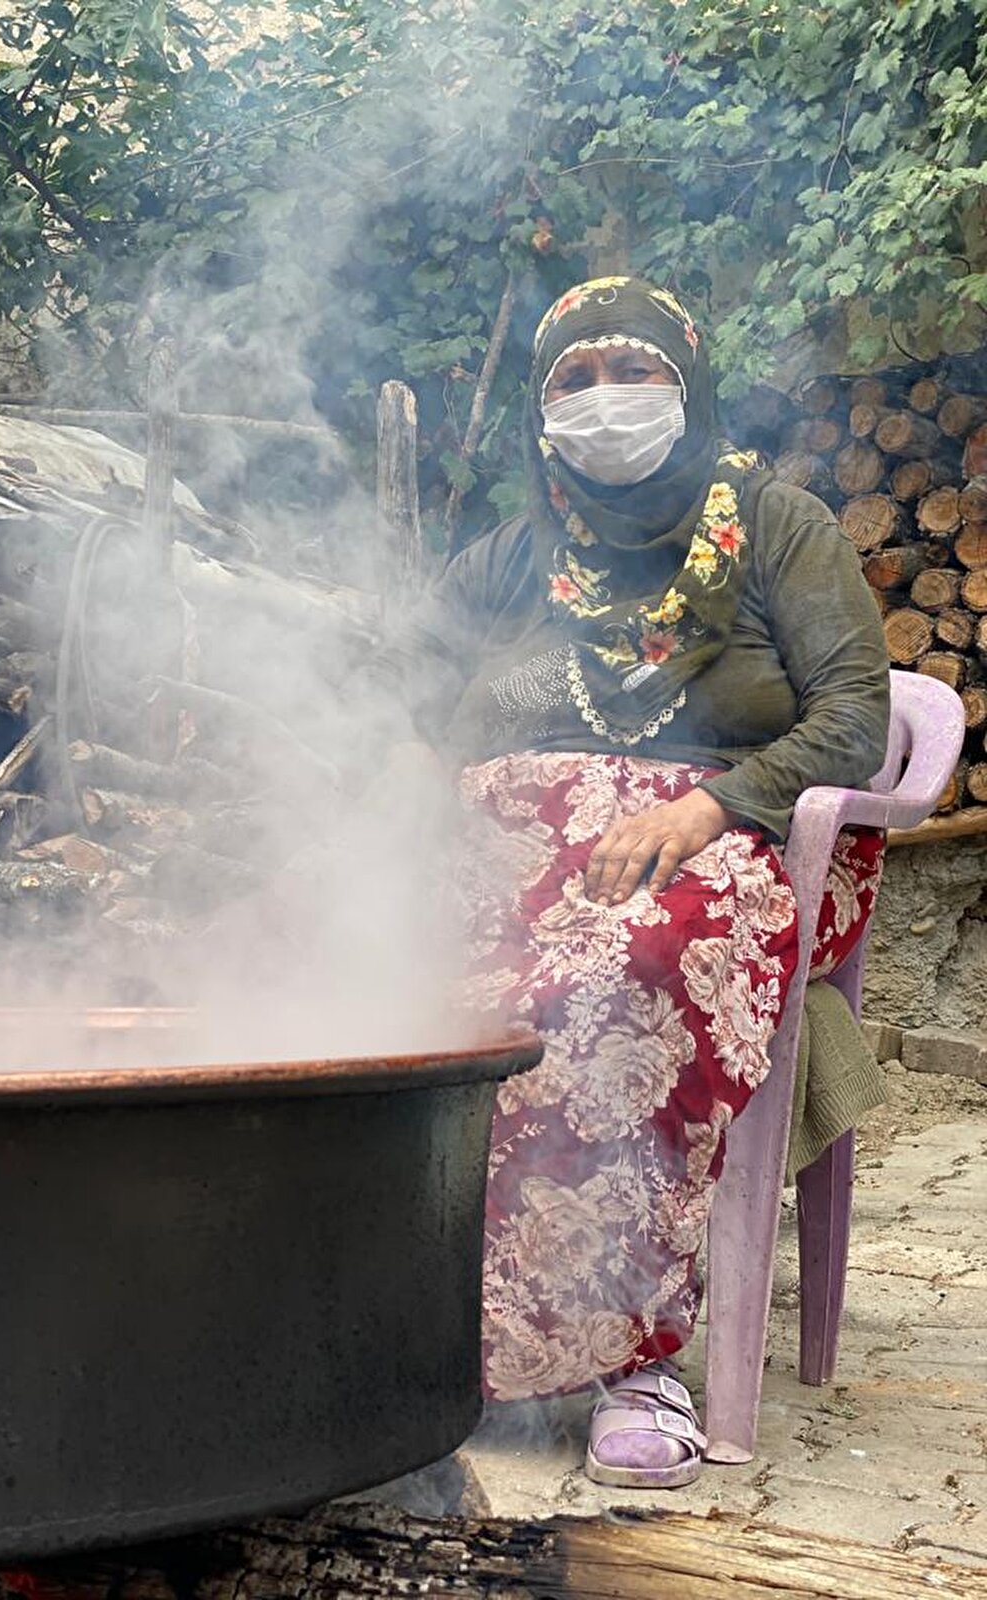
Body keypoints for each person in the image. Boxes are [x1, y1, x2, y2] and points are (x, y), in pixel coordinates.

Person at [387, 275, 890, 1488]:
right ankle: (418, 1320)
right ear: (539, 409)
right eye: (575, 379)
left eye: (634, 371)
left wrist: (704, 804)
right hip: (522, 843)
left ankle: (637, 1352)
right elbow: (393, 691)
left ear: (689, 384)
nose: (606, 400)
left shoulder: (778, 527)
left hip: (735, 838)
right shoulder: (512, 554)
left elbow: (857, 719)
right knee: (385, 970)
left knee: (615, 979)